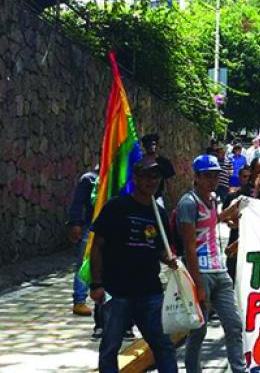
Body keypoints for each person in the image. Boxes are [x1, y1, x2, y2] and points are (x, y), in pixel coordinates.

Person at [88, 157, 178, 373]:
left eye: (155, 177)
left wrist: (170, 260)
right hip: (116, 291)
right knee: (110, 348)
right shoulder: (116, 207)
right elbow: (98, 246)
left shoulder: (159, 213)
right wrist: (96, 284)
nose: (151, 181)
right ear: (135, 178)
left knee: (163, 346)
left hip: (150, 292)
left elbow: (159, 249)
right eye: (146, 176)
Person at [178, 155, 245, 373]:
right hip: (201, 272)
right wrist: (197, 284)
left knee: (234, 324)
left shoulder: (213, 198)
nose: (212, 180)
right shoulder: (188, 203)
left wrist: (228, 211)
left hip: (220, 270)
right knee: (198, 330)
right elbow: (189, 247)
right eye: (207, 175)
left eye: (216, 175)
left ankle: (239, 369)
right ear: (196, 177)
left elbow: (210, 224)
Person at [68, 166, 98, 317]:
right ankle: (79, 300)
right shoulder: (89, 179)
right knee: (83, 262)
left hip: (112, 228)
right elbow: (78, 203)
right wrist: (75, 223)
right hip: (91, 227)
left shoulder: (120, 179)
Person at [141, 134, 176, 204]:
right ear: (144, 146)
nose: (152, 147)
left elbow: (169, 183)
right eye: (149, 144)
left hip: (157, 197)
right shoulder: (139, 161)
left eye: (154, 144)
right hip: (141, 197)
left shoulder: (164, 162)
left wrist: (173, 202)